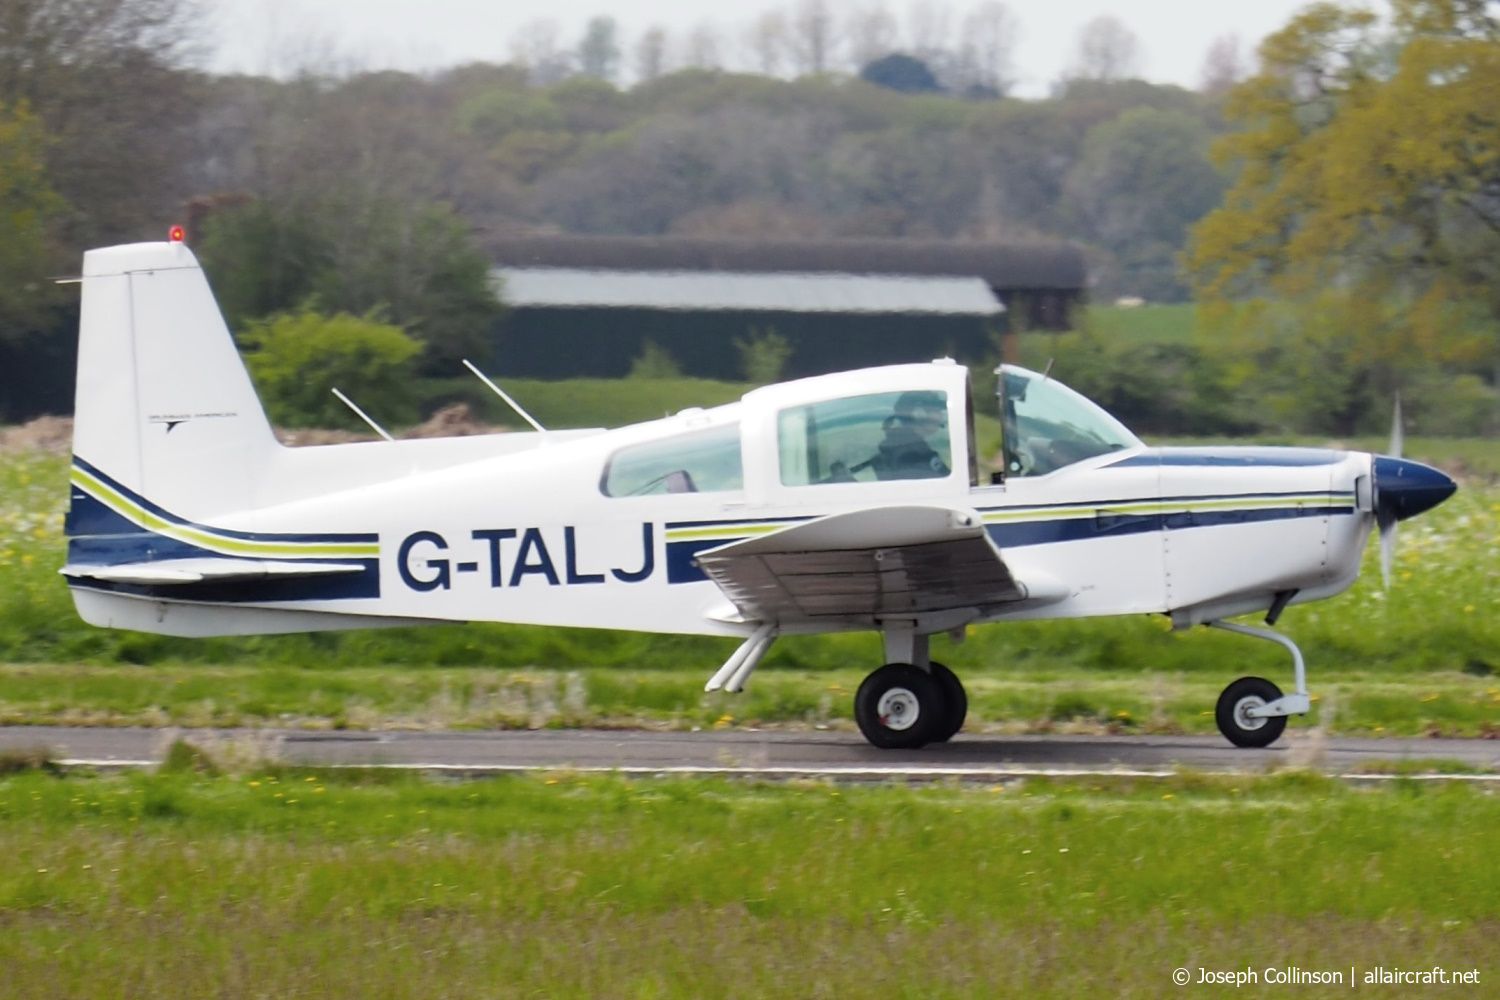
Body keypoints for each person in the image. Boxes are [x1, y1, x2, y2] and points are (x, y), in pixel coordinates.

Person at [870, 390, 949, 480]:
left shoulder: (905, 445)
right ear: (919, 414)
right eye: (936, 410)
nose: (941, 416)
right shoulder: (910, 454)